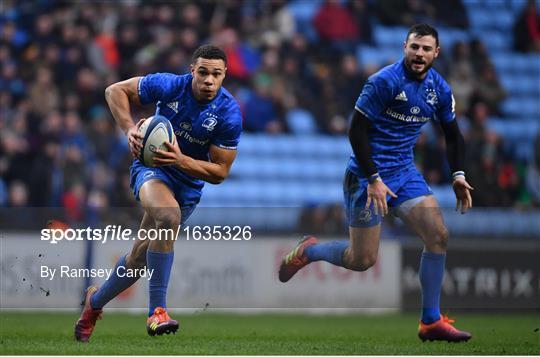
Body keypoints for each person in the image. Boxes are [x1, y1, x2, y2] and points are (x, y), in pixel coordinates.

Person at [279, 24, 473, 343]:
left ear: (436, 53)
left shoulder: (440, 89)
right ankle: (310, 250)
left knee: (437, 234)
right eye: (414, 47)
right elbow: (356, 131)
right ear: (404, 47)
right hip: (365, 176)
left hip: (404, 173)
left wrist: (459, 175)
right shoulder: (383, 81)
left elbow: (453, 135)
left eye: (426, 49)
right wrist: (373, 178)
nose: (419, 54)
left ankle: (430, 321)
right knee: (362, 260)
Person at [74, 45, 242, 341]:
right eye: (203, 72)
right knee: (168, 215)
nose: (208, 80)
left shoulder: (229, 114)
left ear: (224, 75)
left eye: (216, 74)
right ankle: (157, 312)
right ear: (192, 70)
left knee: (139, 258)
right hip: (152, 170)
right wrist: (128, 130)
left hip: (188, 184)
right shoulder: (170, 85)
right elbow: (114, 91)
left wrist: (181, 161)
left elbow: (220, 173)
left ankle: (94, 304)